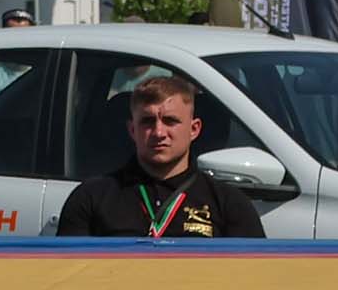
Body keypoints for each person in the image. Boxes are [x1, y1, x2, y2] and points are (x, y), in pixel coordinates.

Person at [54, 76, 265, 239]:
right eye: (147, 122)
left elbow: (252, 284)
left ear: (194, 129)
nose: (158, 132)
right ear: (132, 129)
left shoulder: (229, 204)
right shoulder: (91, 198)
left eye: (170, 121)